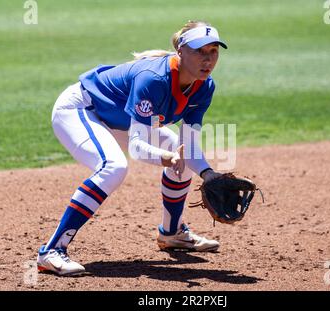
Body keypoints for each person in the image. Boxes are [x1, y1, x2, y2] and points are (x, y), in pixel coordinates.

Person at [37, 20, 228, 276]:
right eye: (199, 51)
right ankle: (51, 251)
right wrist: (166, 157)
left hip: (120, 121)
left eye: (213, 51)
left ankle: (172, 233)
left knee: (178, 151)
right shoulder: (154, 79)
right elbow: (137, 147)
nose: (208, 59)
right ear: (181, 51)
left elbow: (188, 145)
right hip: (81, 110)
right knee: (114, 166)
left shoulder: (204, 86)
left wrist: (208, 174)